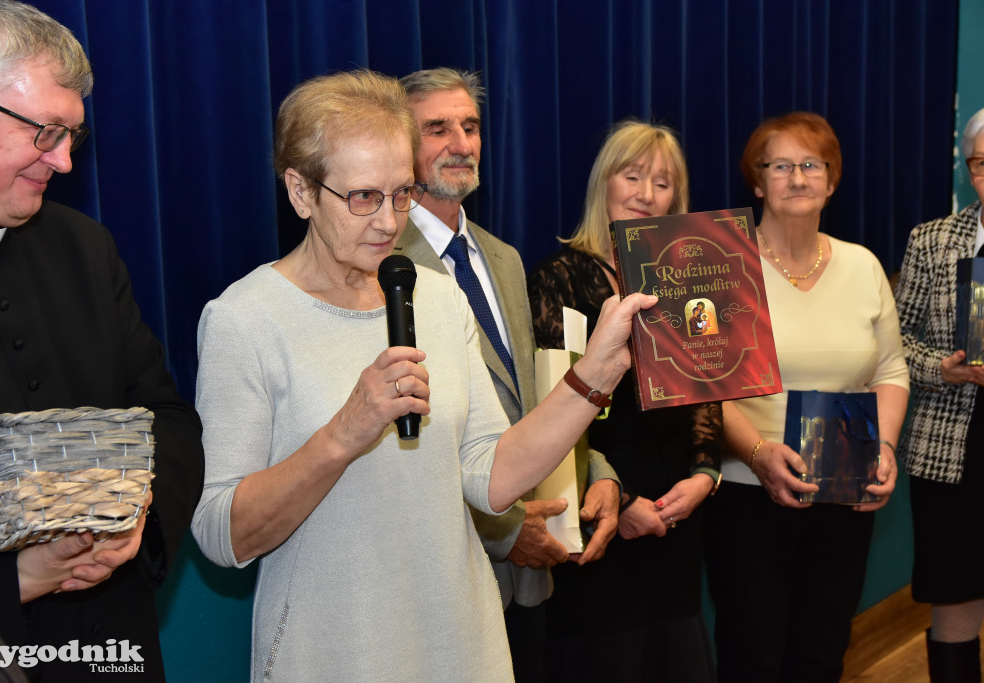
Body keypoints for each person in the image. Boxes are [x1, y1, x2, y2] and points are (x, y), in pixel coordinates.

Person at [190, 69, 654, 683]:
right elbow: (223, 534)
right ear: (300, 191)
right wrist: (343, 433)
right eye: (363, 197)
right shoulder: (245, 319)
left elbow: (490, 474)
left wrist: (594, 375)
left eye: (402, 192)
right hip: (336, 654)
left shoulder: (436, 297)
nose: (389, 221)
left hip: (462, 647)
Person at [0, 0, 205, 680]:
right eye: (46, 132)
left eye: (73, 134)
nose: (66, 161)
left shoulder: (83, 248)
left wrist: (136, 520)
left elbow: (167, 418)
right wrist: (10, 579)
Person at [395, 67, 620, 681]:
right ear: (397, 144)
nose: (461, 144)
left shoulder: (503, 258)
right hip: (449, 570)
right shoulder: (383, 265)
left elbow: (532, 397)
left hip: (531, 573)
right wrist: (502, 528)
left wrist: (594, 470)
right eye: (437, 129)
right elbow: (404, 441)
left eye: (470, 127)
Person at [703, 111, 909, 682]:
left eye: (812, 165)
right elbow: (702, 385)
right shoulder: (721, 265)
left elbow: (891, 370)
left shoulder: (863, 265)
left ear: (832, 180)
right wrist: (757, 454)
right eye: (780, 166)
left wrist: (885, 448)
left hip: (845, 491)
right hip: (746, 495)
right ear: (756, 181)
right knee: (752, 656)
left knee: (821, 655)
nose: (797, 178)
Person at [526, 119, 722, 682]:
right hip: (599, 520)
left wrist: (705, 474)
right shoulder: (558, 279)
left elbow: (708, 387)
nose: (645, 194)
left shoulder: (689, 279)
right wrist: (624, 499)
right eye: (632, 176)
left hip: (677, 519)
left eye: (662, 182)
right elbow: (553, 409)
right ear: (603, 184)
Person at [895, 105, 984, 682]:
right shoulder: (931, 241)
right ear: (968, 170)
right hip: (952, 452)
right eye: (982, 163)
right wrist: (943, 369)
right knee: (955, 599)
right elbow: (893, 345)